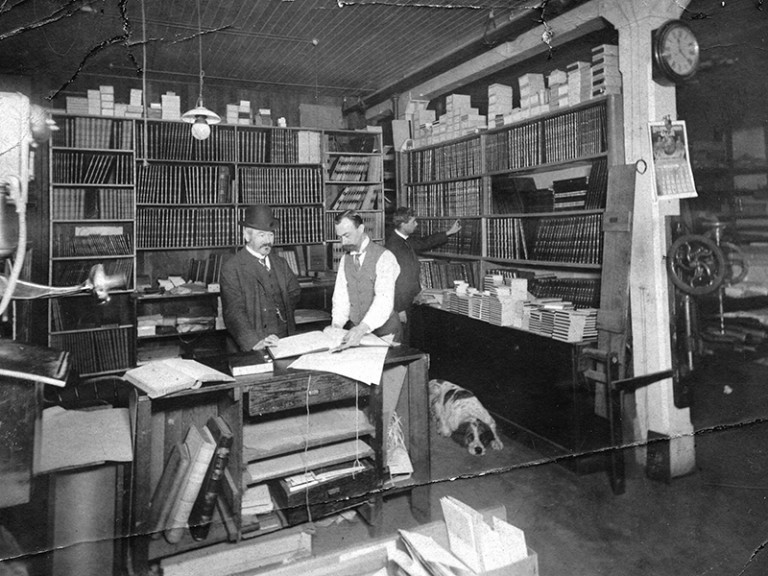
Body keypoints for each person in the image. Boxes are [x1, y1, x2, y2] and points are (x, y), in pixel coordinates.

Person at [220, 204, 301, 352]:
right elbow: (233, 312)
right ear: (246, 235)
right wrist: (254, 342)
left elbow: (294, 293)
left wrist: (281, 320)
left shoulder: (280, 263)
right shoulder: (232, 268)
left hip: (282, 341)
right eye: (261, 235)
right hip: (252, 345)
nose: (267, 241)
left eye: (270, 234)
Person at [385, 207, 461, 343]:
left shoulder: (403, 239)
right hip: (401, 305)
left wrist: (448, 232)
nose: (416, 224)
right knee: (402, 341)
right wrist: (400, 308)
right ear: (403, 224)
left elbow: (424, 242)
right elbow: (396, 280)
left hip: (409, 300)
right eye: (413, 222)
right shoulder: (394, 246)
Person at [331, 209, 402, 348]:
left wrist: (361, 328)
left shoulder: (385, 257)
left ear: (361, 228)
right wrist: (336, 325)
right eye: (340, 237)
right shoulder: (345, 260)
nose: (343, 242)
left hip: (385, 333)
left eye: (347, 235)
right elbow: (341, 297)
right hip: (357, 333)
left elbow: (384, 300)